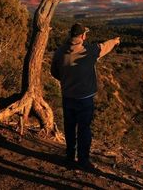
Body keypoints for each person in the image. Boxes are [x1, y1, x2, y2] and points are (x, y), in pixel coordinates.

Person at [51, 23, 120, 171]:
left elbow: (54, 72)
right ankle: (83, 160)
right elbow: (104, 47)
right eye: (85, 34)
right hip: (85, 99)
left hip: (67, 96)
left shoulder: (60, 52)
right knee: (84, 130)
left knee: (69, 128)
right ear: (82, 36)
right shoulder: (89, 51)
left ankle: (70, 157)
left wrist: (67, 80)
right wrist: (114, 41)